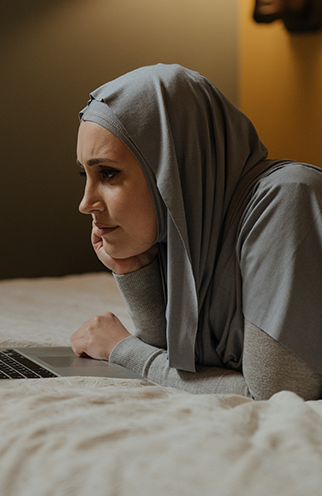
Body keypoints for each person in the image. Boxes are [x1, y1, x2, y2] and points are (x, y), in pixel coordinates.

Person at [70, 64, 322, 400]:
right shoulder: (196, 232)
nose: (86, 204)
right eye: (85, 176)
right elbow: (180, 362)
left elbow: (276, 395)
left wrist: (123, 350)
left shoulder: (288, 198)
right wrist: (135, 269)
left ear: (172, 165)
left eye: (109, 173)